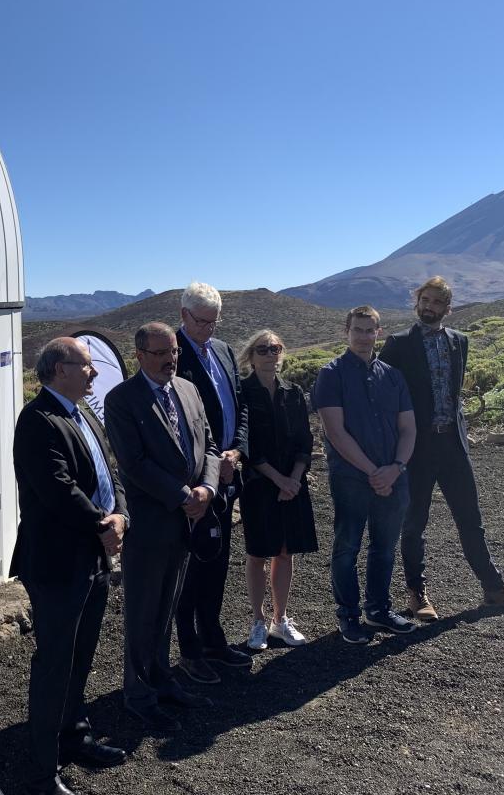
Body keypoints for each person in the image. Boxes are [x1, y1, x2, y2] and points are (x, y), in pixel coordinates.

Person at [379, 276, 504, 619]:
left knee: (471, 521)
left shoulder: (459, 342)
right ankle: (416, 594)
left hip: (453, 444)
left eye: (437, 302)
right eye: (425, 300)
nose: (430, 307)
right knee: (414, 523)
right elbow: (384, 398)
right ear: (417, 302)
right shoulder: (397, 344)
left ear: (448, 309)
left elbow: (453, 397)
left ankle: (495, 590)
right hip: (416, 448)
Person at [12, 337, 130, 795]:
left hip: (92, 558)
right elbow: (57, 488)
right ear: (59, 368)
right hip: (58, 562)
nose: (94, 373)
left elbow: (109, 473)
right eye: (86, 366)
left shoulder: (84, 416)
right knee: (55, 664)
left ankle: (74, 736)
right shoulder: (38, 420)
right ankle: (42, 771)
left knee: (80, 657)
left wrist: (120, 515)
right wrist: (104, 524)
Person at [105, 322, 219, 734]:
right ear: (139, 355)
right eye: (160, 353)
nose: (170, 359)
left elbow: (208, 442)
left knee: (168, 604)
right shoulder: (122, 400)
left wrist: (207, 487)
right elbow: (133, 464)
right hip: (152, 524)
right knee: (142, 610)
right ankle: (137, 694)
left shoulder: (187, 389)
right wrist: (184, 495)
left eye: (173, 352)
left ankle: (161, 677)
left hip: (187, 520)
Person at [312, 306, 418, 644]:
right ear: (347, 331)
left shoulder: (393, 376)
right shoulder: (331, 375)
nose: (363, 336)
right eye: (357, 330)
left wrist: (396, 468)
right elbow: (335, 432)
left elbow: (408, 429)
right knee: (347, 547)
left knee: (385, 547)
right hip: (351, 478)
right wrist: (374, 472)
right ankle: (348, 615)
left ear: (379, 332)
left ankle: (378, 610)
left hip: (393, 475)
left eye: (369, 330)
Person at [173, 282, 252, 684]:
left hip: (227, 473)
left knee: (218, 560)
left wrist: (235, 451)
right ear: (184, 314)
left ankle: (213, 638)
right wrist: (210, 465)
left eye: (213, 321)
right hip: (194, 482)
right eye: (201, 321)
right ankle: (189, 649)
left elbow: (238, 406)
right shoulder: (170, 354)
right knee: (191, 566)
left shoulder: (222, 350)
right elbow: (174, 424)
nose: (207, 328)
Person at [236, 329, 318, 651]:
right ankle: (258, 621)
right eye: (263, 349)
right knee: (257, 553)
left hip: (291, 483)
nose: (270, 354)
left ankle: (279, 620)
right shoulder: (243, 392)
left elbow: (304, 440)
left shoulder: (293, 392)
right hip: (259, 485)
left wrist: (294, 478)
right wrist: (279, 480)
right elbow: (247, 445)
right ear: (251, 355)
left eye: (275, 348)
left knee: (285, 551)